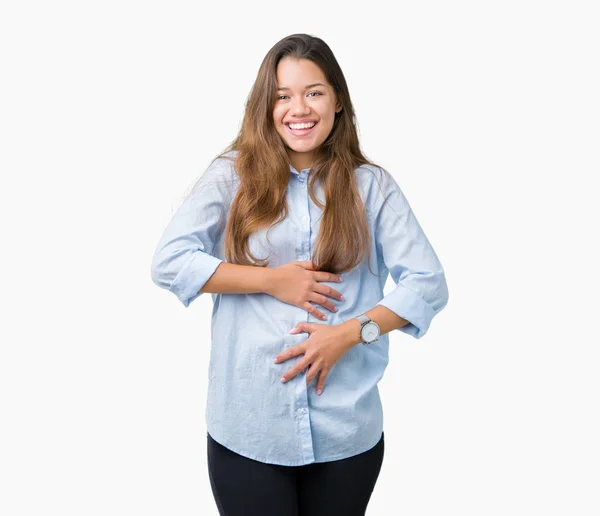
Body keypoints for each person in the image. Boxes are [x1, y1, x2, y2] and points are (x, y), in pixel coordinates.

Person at [150, 33, 449, 516]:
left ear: (337, 102)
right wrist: (269, 280)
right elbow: (169, 261)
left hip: (345, 430)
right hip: (249, 426)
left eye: (314, 92)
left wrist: (351, 334)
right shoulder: (232, 175)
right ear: (266, 106)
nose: (299, 108)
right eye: (283, 95)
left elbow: (428, 284)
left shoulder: (372, 187)